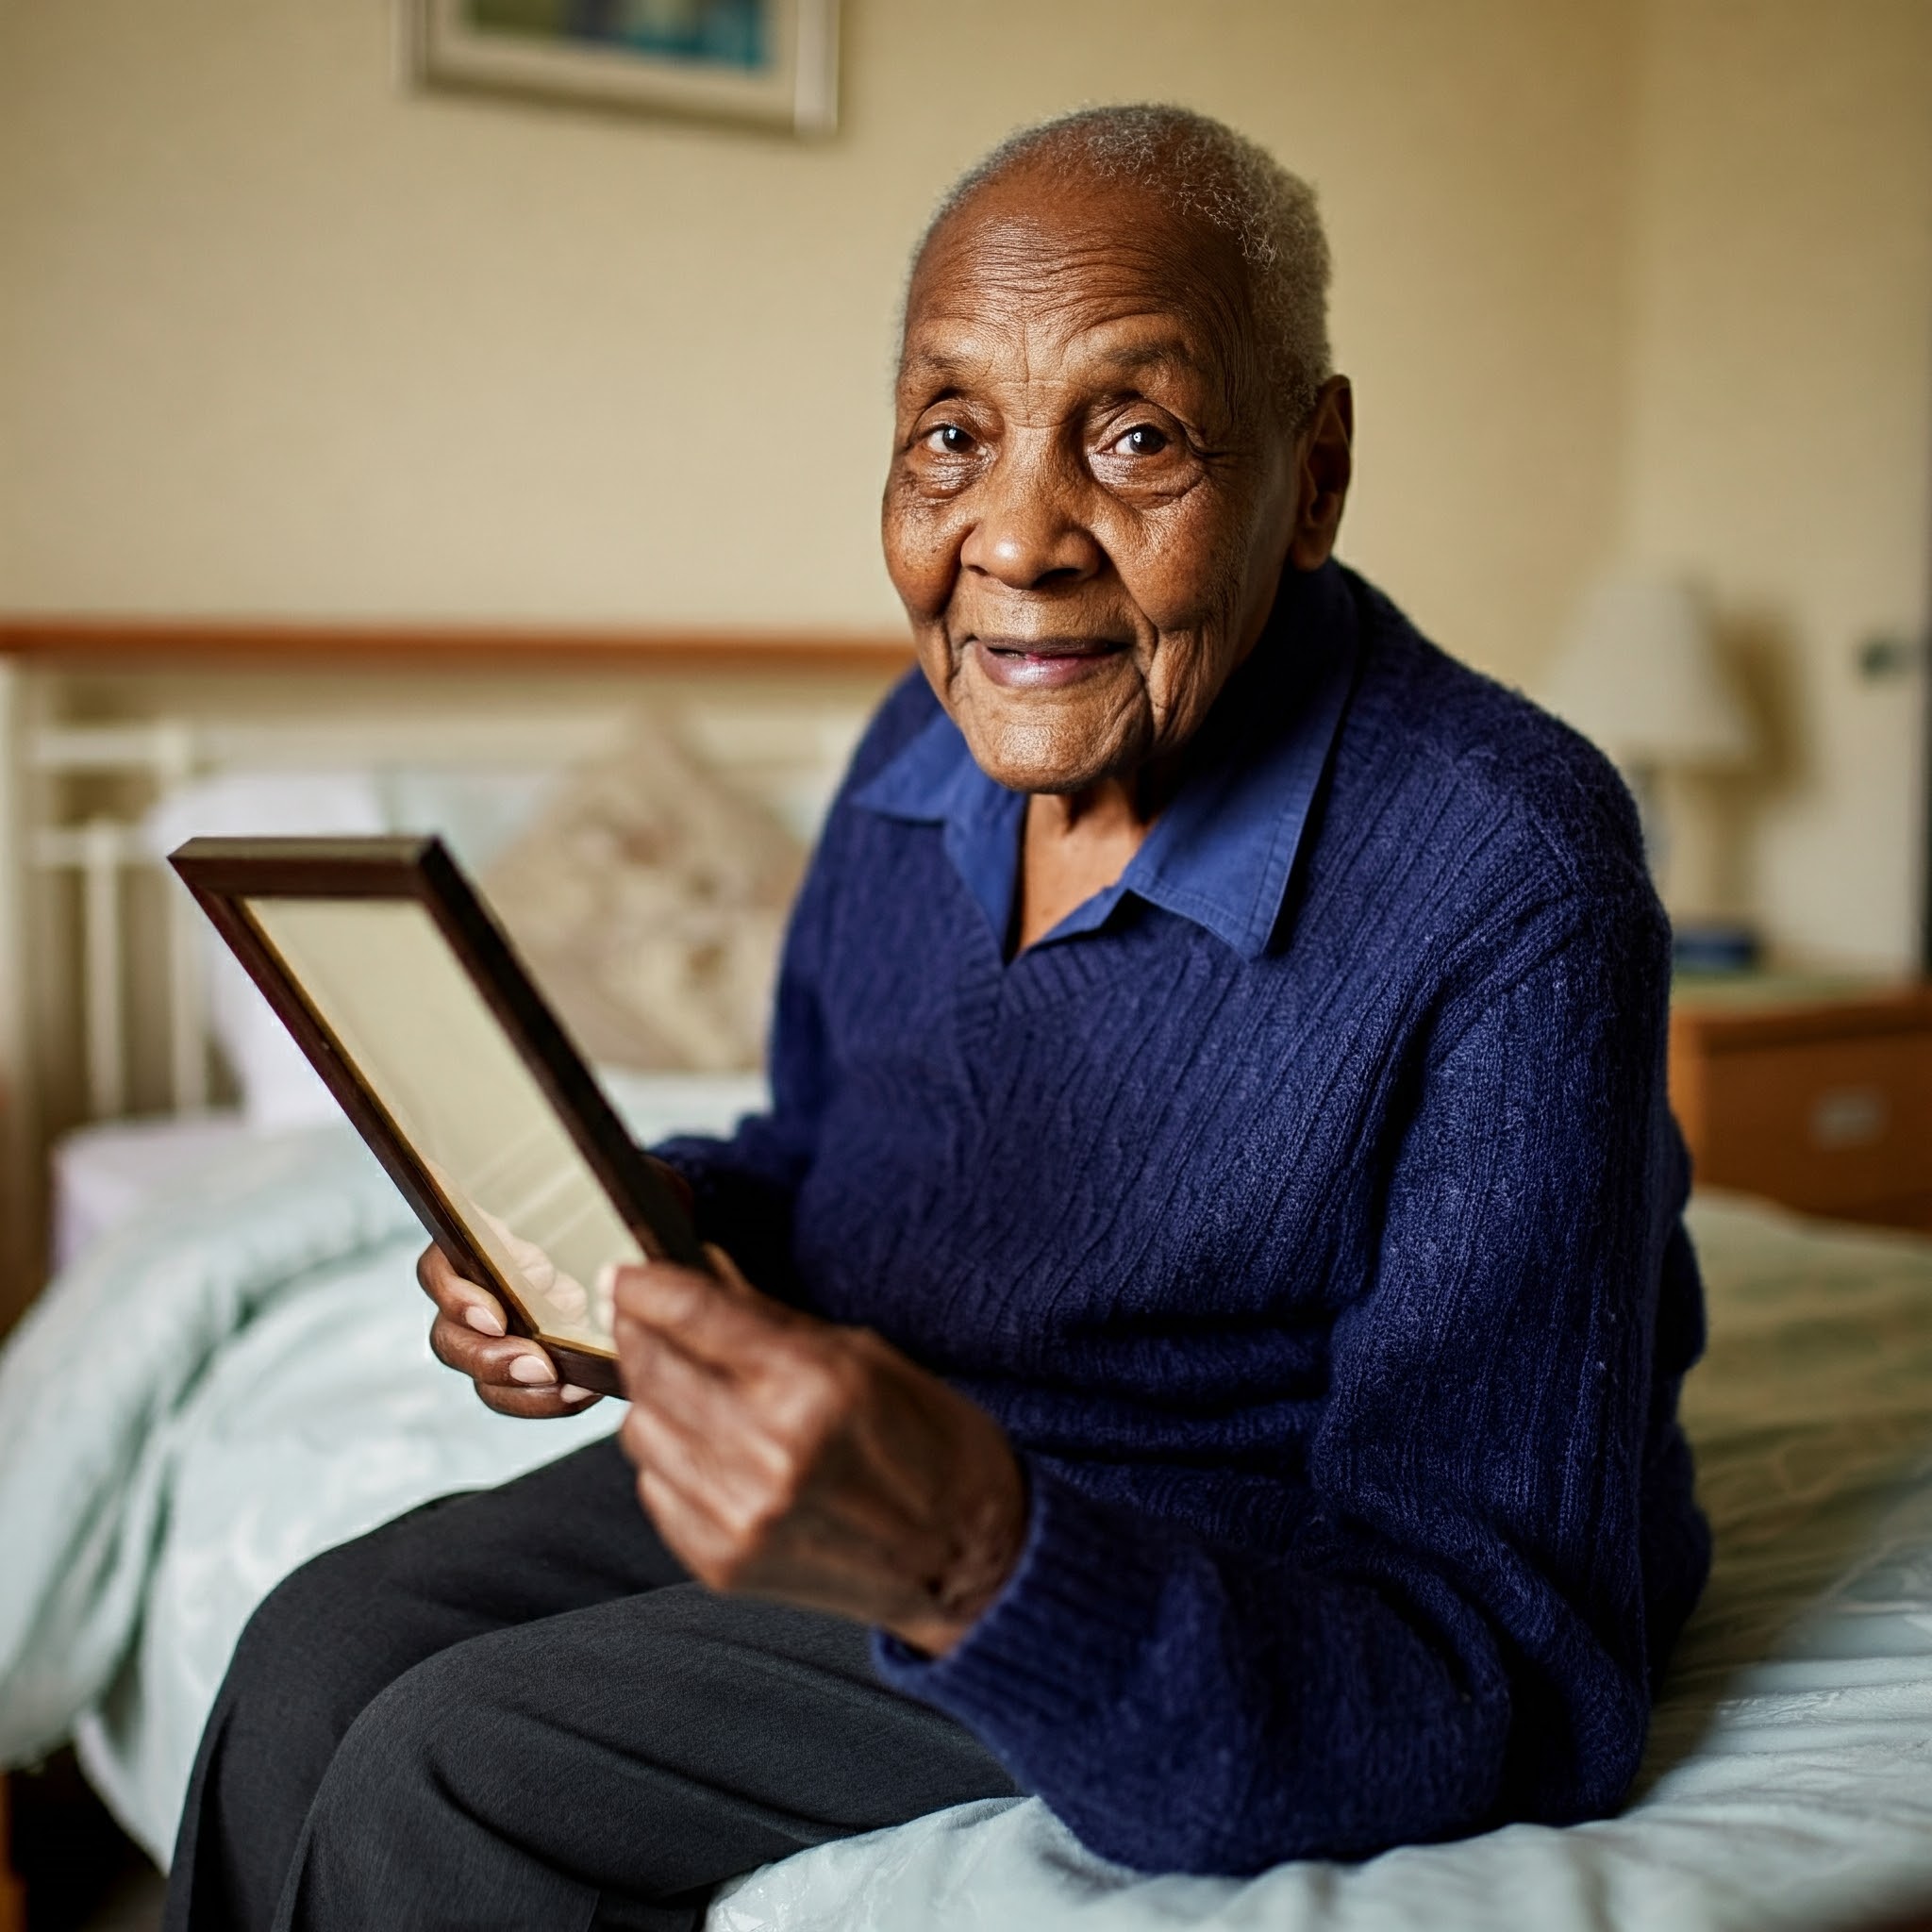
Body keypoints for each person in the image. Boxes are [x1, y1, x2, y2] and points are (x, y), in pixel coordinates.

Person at [163, 103, 1710, 1932]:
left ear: (1314, 473)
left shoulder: (1509, 870)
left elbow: (1506, 1661)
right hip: (888, 1435)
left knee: (456, 1758)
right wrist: (623, 1230)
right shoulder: (922, 749)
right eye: (949, 437)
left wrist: (978, 1551)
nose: (1017, 539)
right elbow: (829, 1164)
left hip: (1205, 1554)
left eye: (1134, 435)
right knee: (318, 1640)